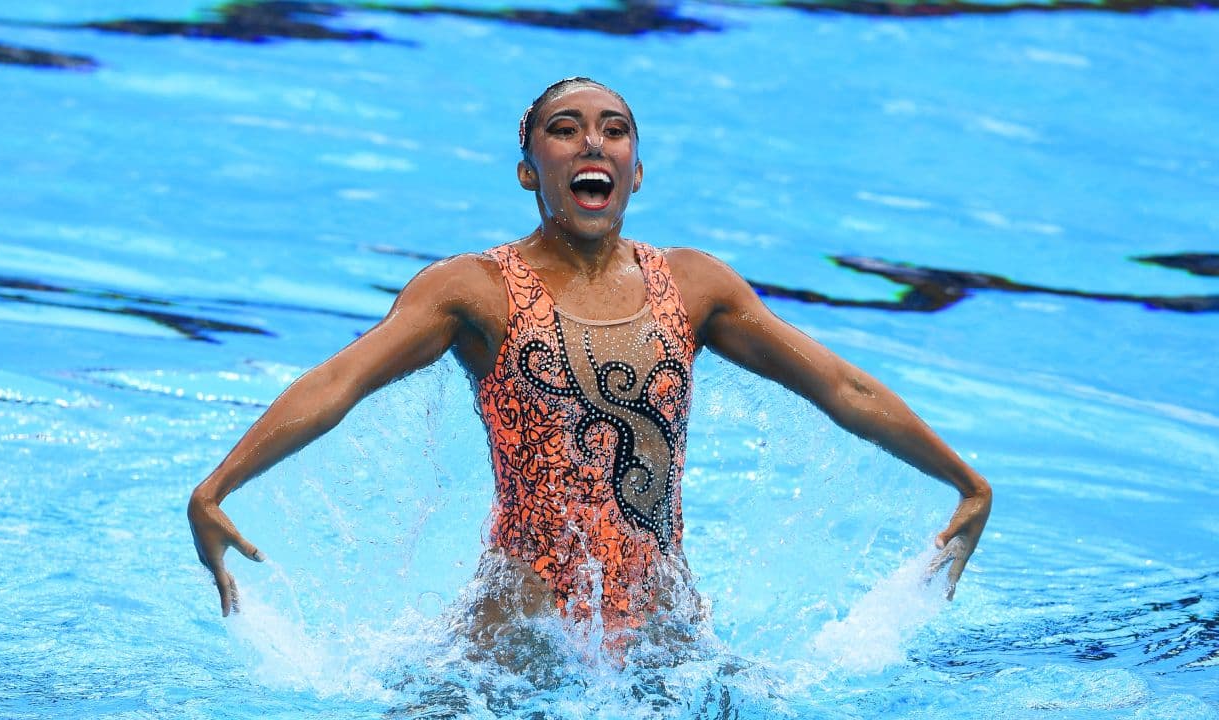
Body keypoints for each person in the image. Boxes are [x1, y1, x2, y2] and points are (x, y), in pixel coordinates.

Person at [188, 78, 992, 644]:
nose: (591, 141)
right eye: (564, 128)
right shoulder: (472, 290)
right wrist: (217, 487)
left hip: (663, 627)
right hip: (519, 631)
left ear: (635, 171)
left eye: (613, 127)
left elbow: (841, 386)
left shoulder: (694, 285)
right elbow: (338, 381)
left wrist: (966, 481)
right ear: (529, 171)